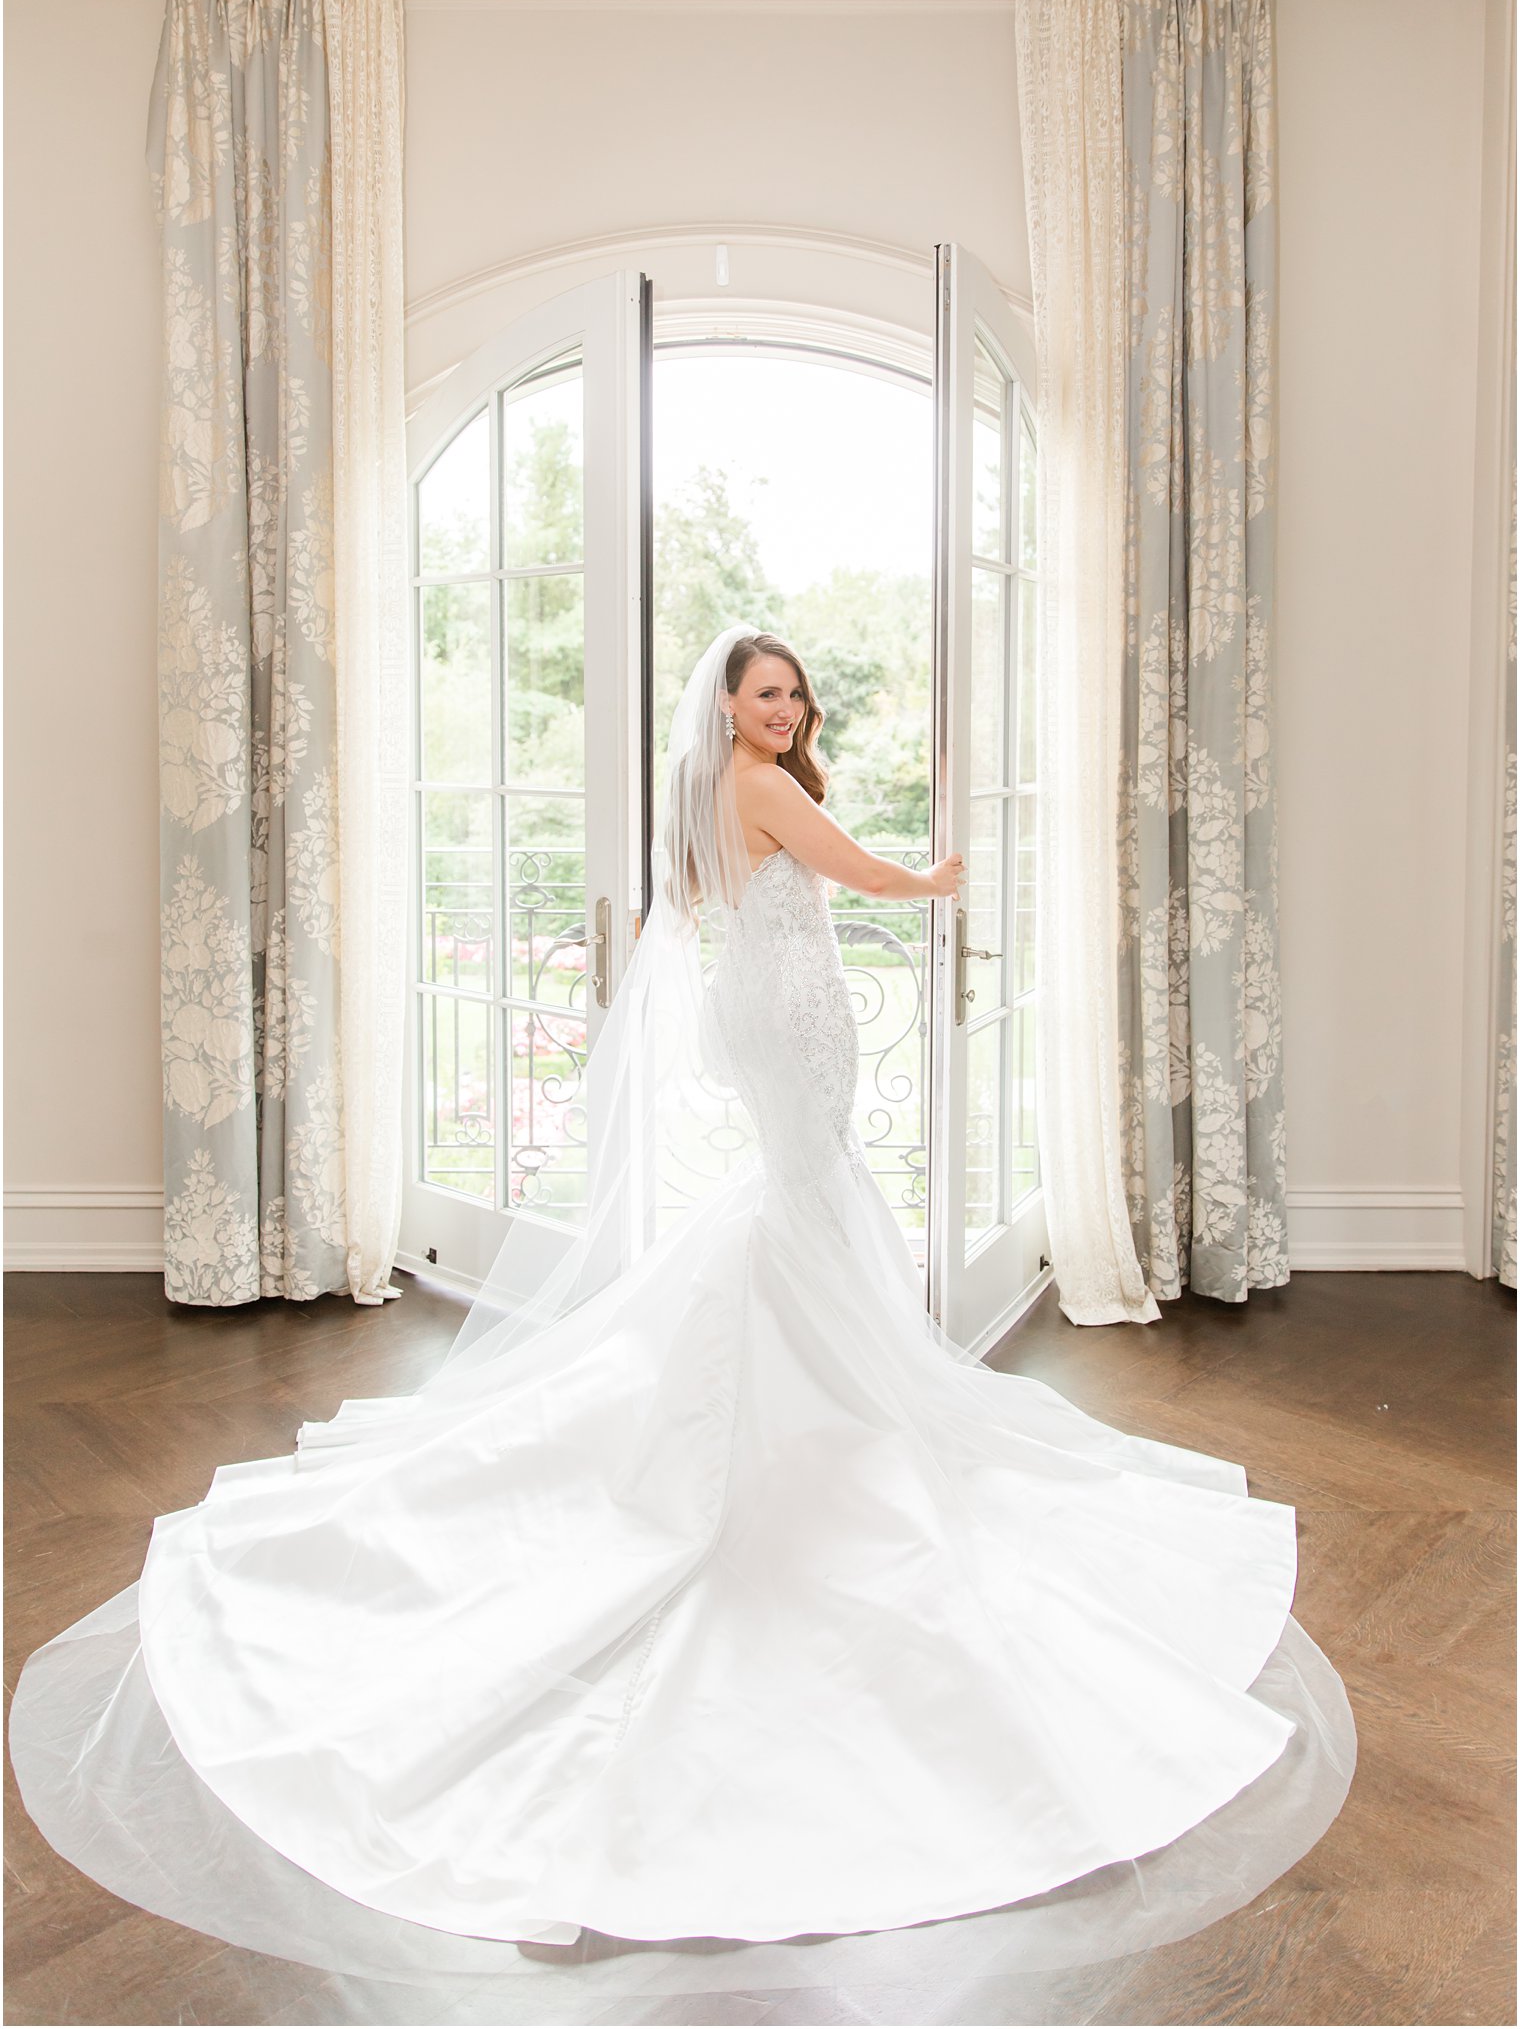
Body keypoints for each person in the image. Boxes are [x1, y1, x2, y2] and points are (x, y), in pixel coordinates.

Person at [9, 622, 1355, 2013]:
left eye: (794, 694)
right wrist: (942, 879)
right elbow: (854, 872)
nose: (785, 711)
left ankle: (831, 1388)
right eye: (764, 692)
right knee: (811, 1193)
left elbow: (726, 897)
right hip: (788, 1012)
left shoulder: (710, 790)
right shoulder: (760, 786)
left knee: (804, 1198)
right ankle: (823, 1413)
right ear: (726, 700)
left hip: (764, 1006)